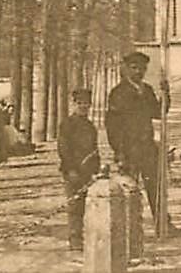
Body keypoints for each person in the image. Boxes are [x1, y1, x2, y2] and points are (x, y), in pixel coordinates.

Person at [106, 51, 170, 225]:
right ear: (126, 69)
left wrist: (165, 95)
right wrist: (119, 152)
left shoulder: (147, 90)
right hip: (128, 149)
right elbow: (112, 126)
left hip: (147, 147)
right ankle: (129, 227)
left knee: (156, 187)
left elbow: (158, 113)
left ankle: (163, 224)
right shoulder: (118, 93)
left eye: (142, 68)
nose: (138, 72)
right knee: (129, 190)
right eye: (134, 68)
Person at [59, 89, 100, 252]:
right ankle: (75, 240)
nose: (83, 106)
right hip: (73, 172)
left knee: (91, 206)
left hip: (89, 172)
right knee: (75, 207)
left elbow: (94, 150)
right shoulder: (67, 125)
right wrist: (70, 170)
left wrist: (97, 170)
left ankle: (90, 238)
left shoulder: (90, 126)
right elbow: (63, 149)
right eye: (80, 103)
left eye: (86, 103)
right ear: (73, 104)